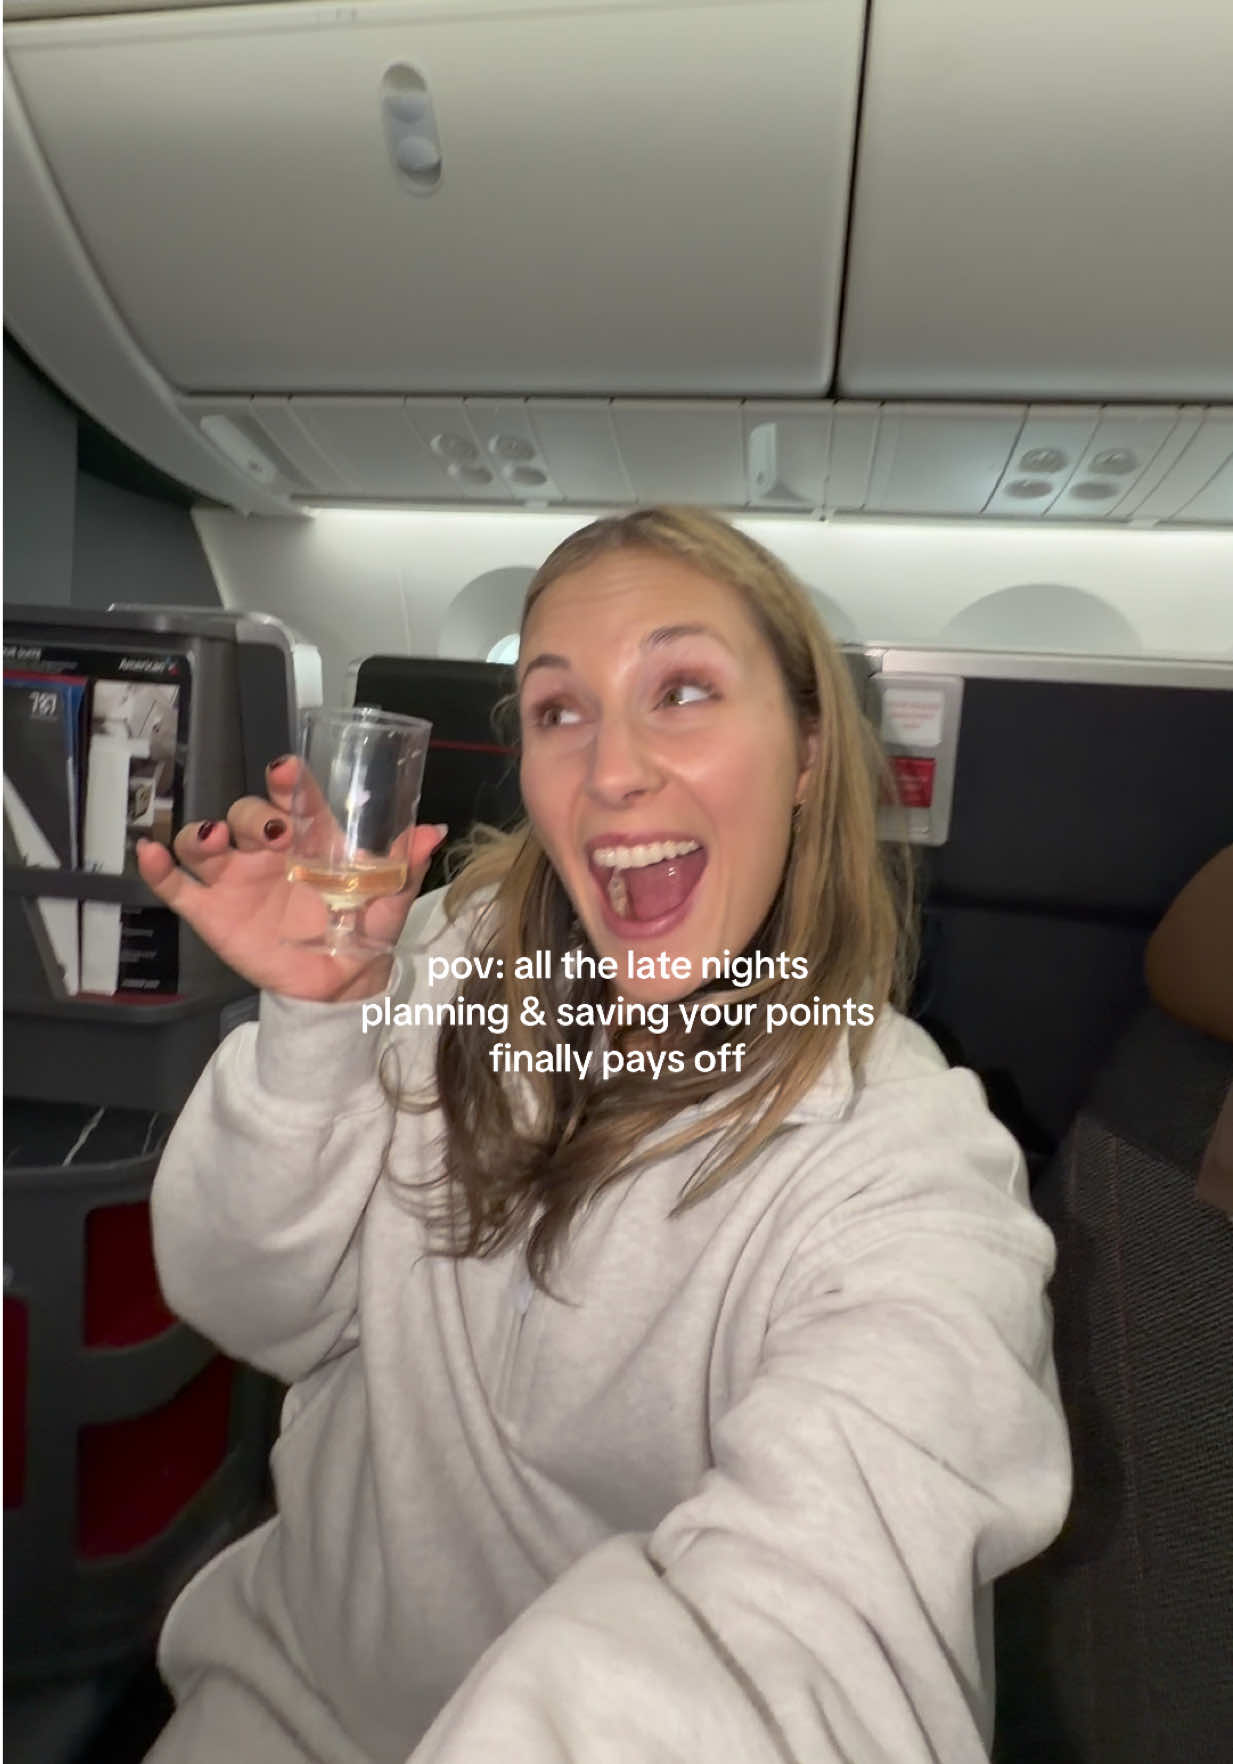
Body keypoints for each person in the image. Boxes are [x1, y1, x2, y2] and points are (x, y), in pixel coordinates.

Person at [136, 507, 1071, 1763]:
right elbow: (242, 1305)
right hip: (285, 1701)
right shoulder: (429, 970)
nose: (610, 768)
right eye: (558, 710)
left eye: (681, 691)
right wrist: (317, 1025)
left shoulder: (902, 1164)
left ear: (806, 752)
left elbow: (818, 1641)